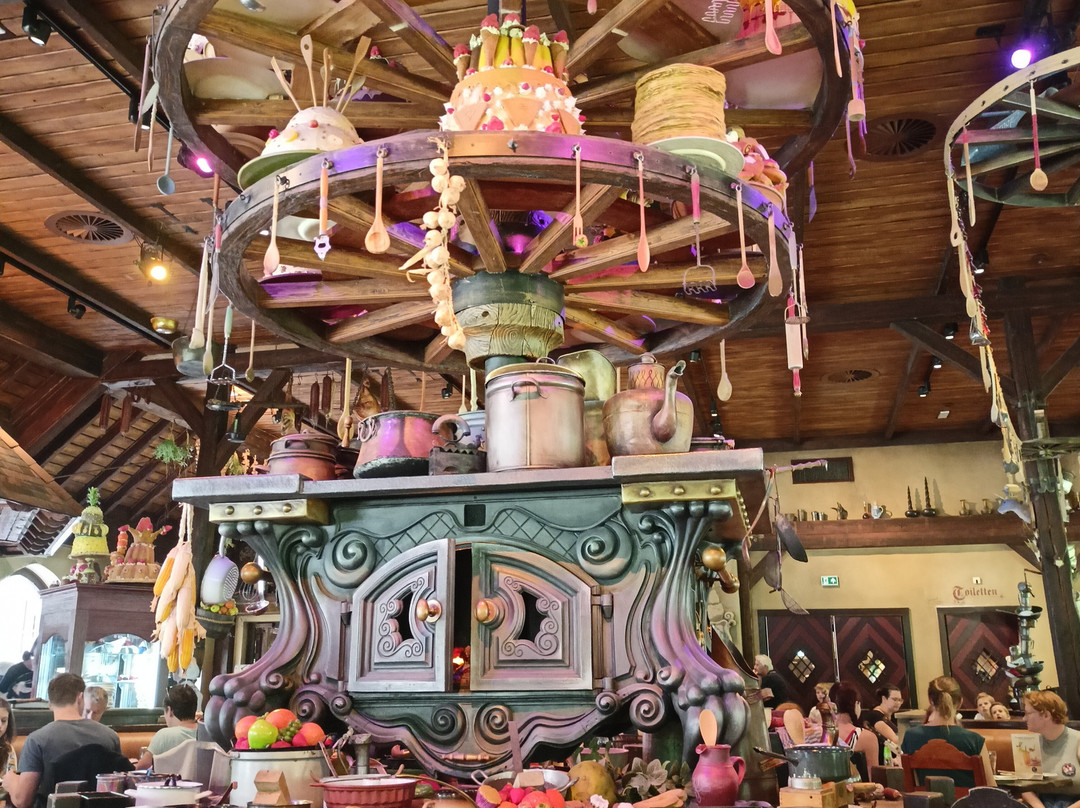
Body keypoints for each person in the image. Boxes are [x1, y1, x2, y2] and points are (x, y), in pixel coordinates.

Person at [1, 673, 122, 808]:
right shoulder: (110, 737)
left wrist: (11, 782)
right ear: (80, 697)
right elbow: (118, 789)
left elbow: (22, 801)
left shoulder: (37, 740)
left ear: (50, 704)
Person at [900, 675, 995, 788]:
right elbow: (990, 787)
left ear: (930, 700)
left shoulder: (911, 736)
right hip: (966, 800)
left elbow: (908, 780)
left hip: (925, 799)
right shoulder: (974, 740)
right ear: (960, 702)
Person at [1018, 690, 1080, 808]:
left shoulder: (1078, 741)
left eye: (1028, 713)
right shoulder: (1029, 744)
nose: (1024, 719)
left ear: (1046, 715)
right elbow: (1025, 788)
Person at [135, 685, 200, 770]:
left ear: (169, 711)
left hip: (170, 779)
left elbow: (140, 769)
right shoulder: (208, 735)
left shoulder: (164, 736)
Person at [829, 681, 879, 772]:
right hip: (856, 781)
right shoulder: (867, 737)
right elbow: (873, 776)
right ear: (857, 704)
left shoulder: (820, 734)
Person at [862, 683, 903, 763]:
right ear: (884, 698)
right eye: (895, 699)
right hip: (880, 760)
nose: (898, 703)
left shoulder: (888, 717)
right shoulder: (876, 715)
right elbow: (894, 739)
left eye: (900, 700)